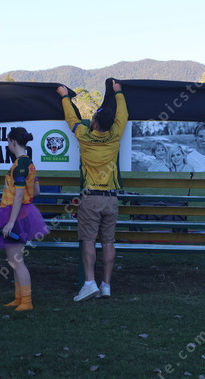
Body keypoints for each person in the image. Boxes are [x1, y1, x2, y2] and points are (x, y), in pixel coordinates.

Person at [57, 79, 128, 301]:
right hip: (111, 198)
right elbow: (123, 114)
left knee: (88, 240)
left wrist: (64, 96)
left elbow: (71, 118)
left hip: (90, 198)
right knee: (108, 242)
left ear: (94, 122)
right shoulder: (116, 134)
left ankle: (89, 284)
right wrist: (118, 92)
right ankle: (106, 285)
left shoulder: (83, 135)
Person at [0, 127, 49, 311]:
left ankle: (26, 301)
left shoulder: (19, 165)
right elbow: (36, 191)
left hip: (14, 214)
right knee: (14, 261)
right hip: (24, 213)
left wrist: (10, 221)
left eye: (8, 141)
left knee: (17, 262)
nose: (7, 145)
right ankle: (19, 298)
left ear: (13, 141)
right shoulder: (29, 163)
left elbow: (19, 194)